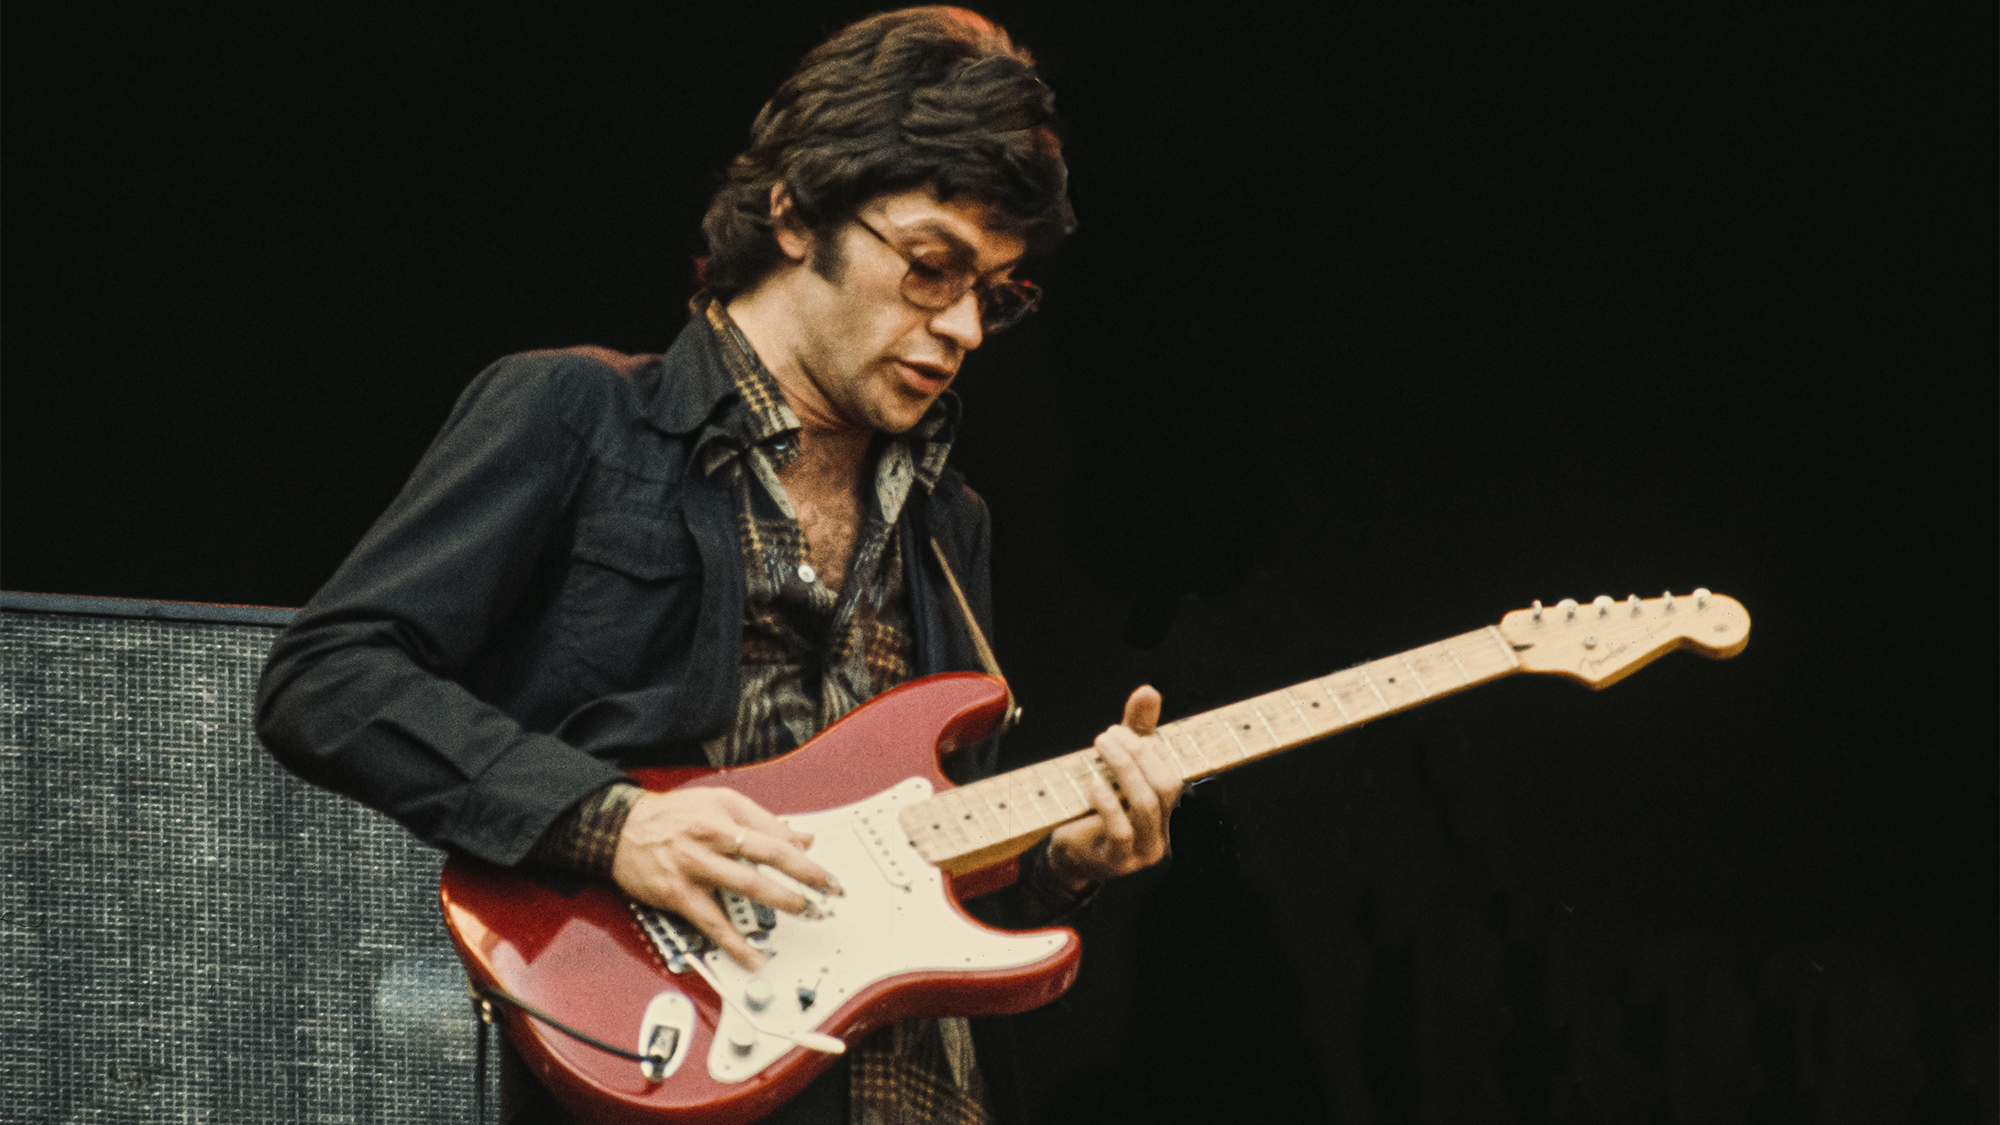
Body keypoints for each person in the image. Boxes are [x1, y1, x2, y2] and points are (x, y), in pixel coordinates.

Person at [254, 8, 1182, 1124]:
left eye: (997, 292)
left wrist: (1060, 861)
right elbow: (327, 675)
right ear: (795, 211)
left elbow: (922, 853)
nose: (964, 328)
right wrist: (612, 821)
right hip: (664, 1070)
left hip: (914, 1095)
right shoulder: (576, 415)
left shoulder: (952, 521)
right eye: (932, 267)